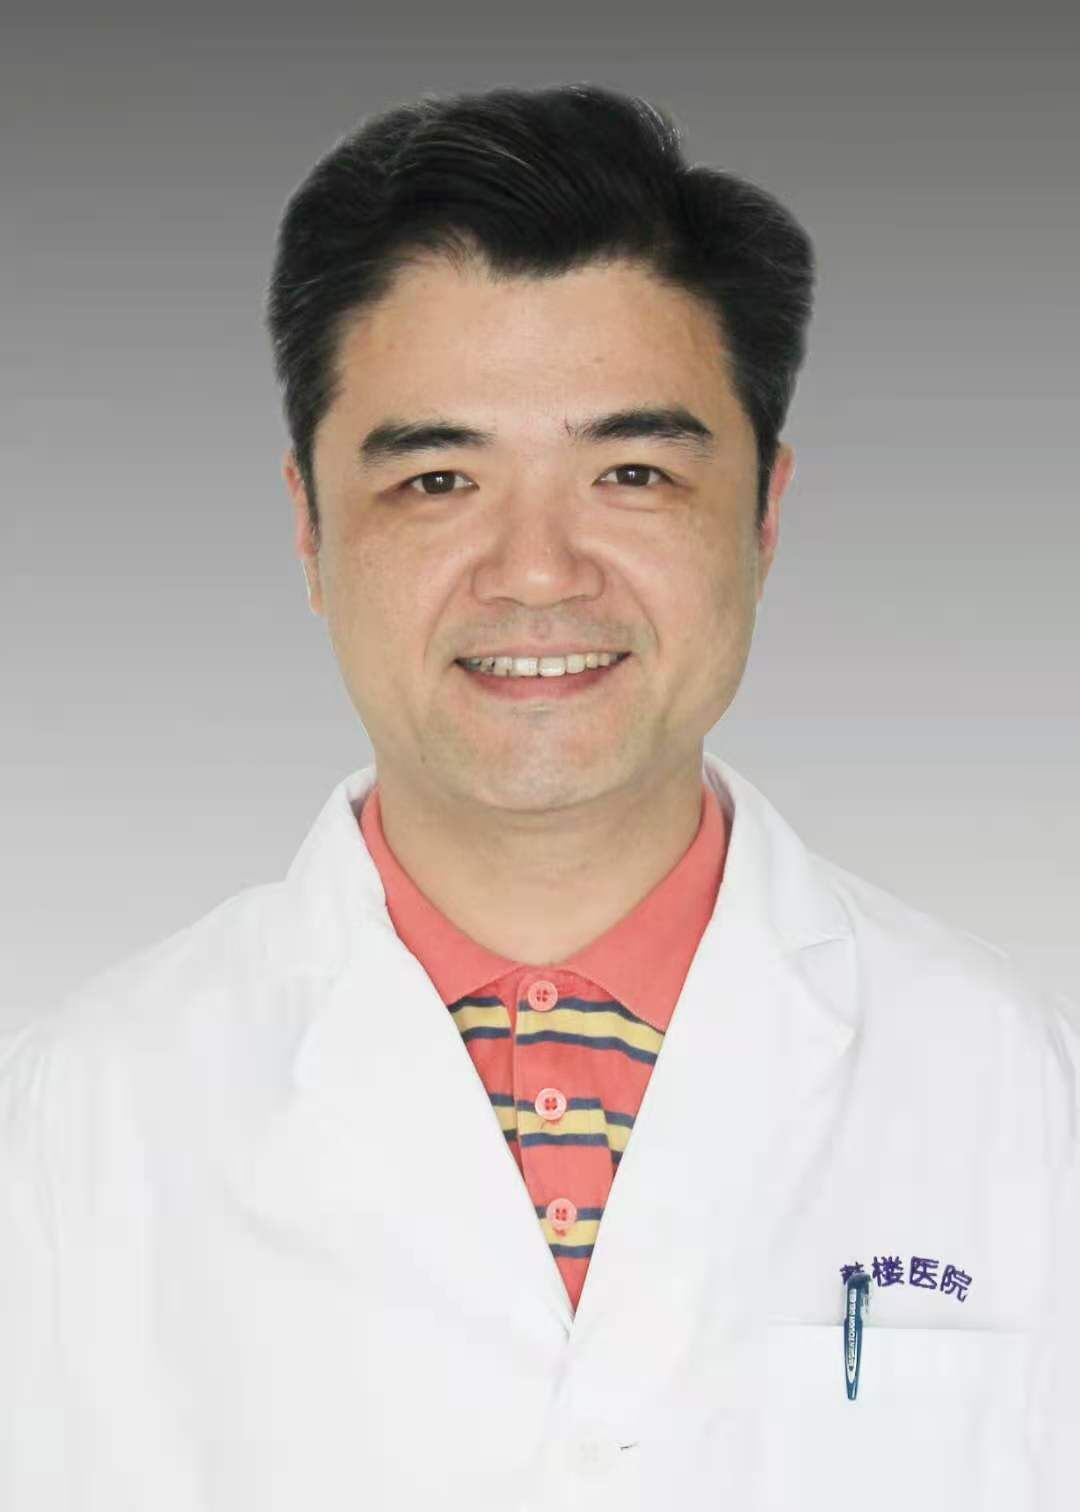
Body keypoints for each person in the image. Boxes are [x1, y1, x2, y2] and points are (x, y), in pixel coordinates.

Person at [2, 82, 1076, 1512]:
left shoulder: (1022, 1090)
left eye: (632, 471)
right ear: (308, 528)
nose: (537, 573)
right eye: (438, 479)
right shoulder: (70, 1122)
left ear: (765, 517)